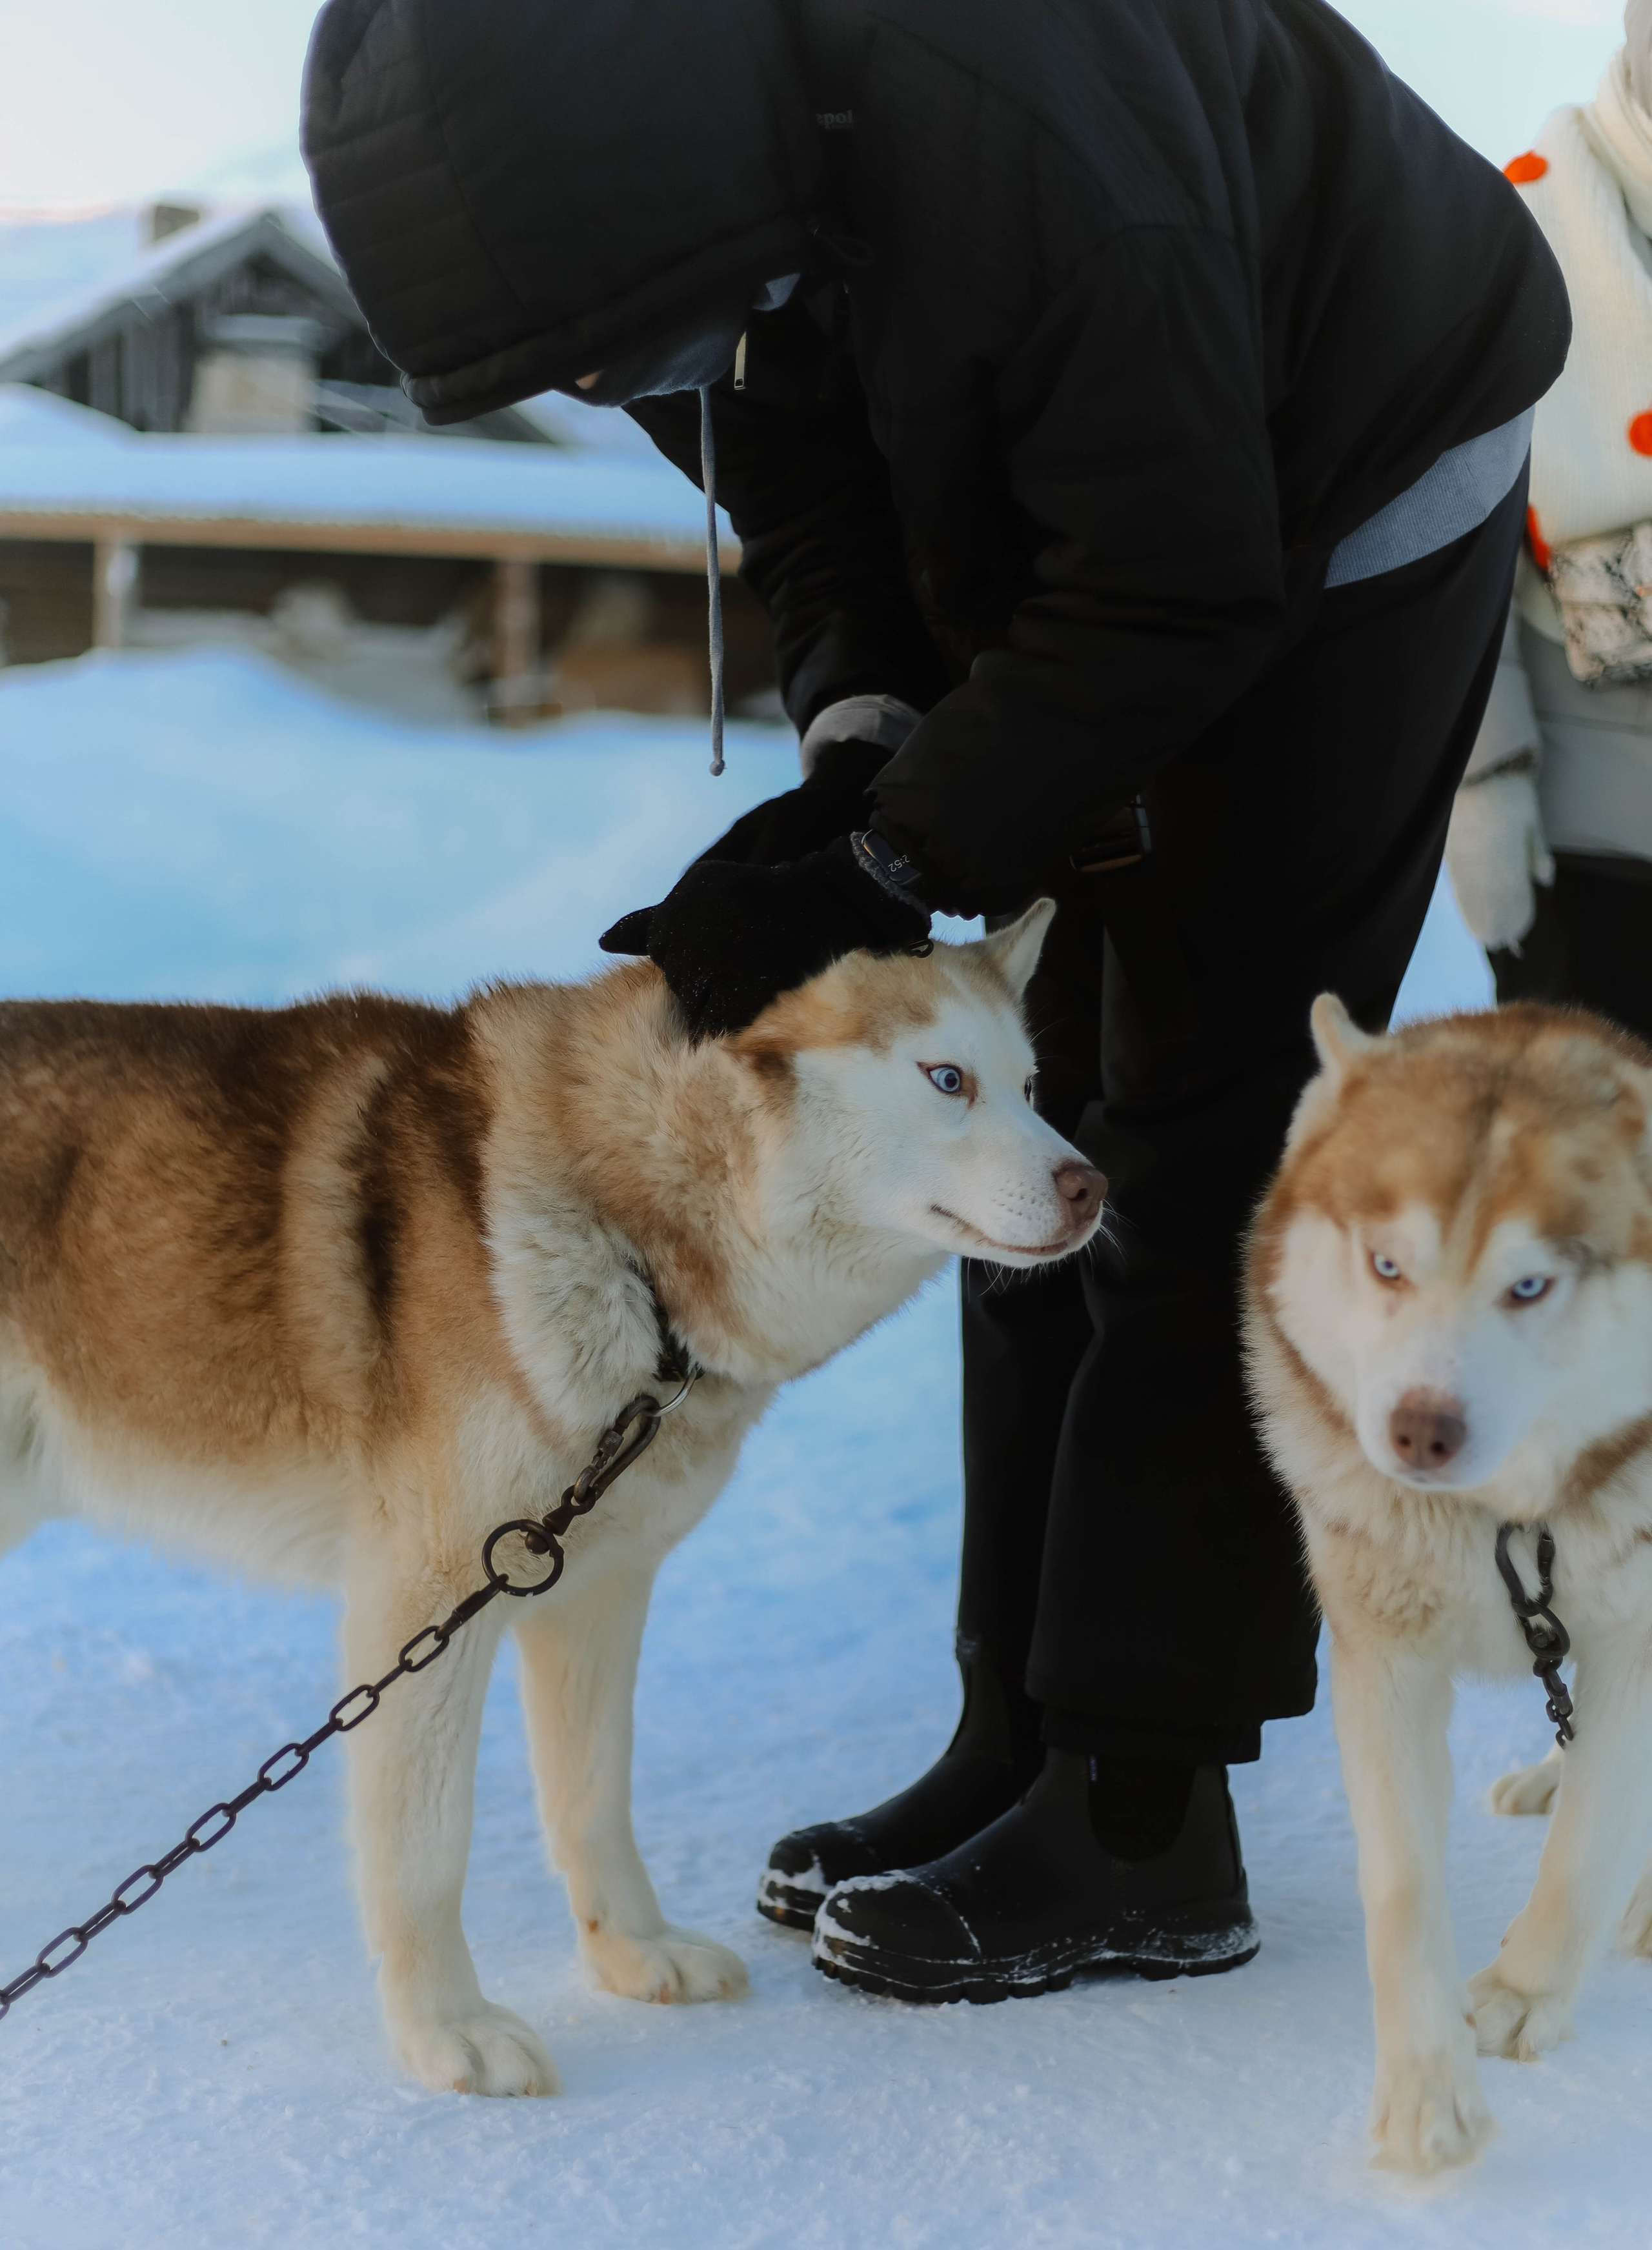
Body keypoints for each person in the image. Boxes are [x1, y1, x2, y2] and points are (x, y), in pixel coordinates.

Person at [302, 0, 1567, 2004]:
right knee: (1021, 1132)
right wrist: (860, 759)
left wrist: (900, 856)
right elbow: (809, 495)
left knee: (1199, 1120)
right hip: (1111, 500)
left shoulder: (1029, 131)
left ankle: (1143, 1813)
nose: (592, 380)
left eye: (602, 352)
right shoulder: (652, 209)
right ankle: (1018, 1732)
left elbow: (1175, 580)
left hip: (1346, 472)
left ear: (685, 205)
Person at [1444, 0, 1652, 1049]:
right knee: (1596, 1183)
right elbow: (1443, 537)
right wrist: (1484, 788)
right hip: (1589, 830)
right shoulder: (1510, 230)